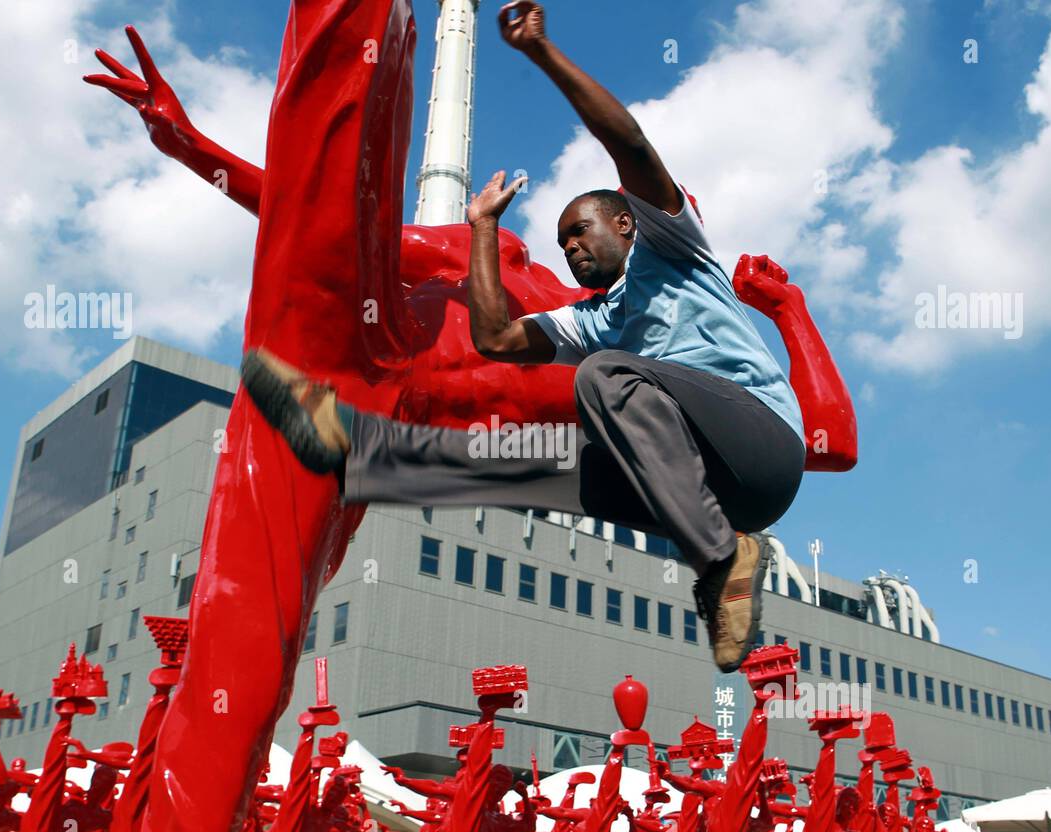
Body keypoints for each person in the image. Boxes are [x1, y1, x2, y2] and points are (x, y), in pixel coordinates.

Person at [241, 0, 807, 672]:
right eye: (561, 240)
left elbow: (629, 143)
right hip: (711, 490)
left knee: (602, 376)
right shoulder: (596, 319)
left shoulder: (673, 250)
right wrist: (481, 224)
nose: (569, 247)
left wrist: (540, 52)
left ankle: (722, 560)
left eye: (581, 230)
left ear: (626, 224)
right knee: (535, 462)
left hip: (765, 446)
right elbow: (499, 339)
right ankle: (364, 453)